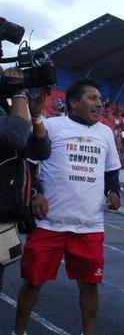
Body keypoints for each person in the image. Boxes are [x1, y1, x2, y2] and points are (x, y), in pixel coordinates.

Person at [14, 79, 121, 335]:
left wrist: (114, 191)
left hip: (89, 226)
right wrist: (36, 193)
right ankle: (18, 332)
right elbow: (26, 164)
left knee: (89, 285)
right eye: (92, 98)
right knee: (32, 282)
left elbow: (111, 171)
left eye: (100, 99)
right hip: (49, 222)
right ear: (73, 102)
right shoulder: (50, 126)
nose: (99, 103)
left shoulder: (106, 133)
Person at [0, 68, 51, 292]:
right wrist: (19, 92)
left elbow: (39, 151)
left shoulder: (7, 110)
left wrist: (37, 115)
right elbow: (16, 137)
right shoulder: (11, 111)